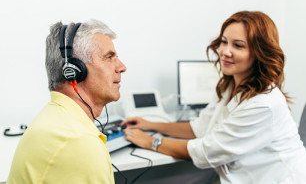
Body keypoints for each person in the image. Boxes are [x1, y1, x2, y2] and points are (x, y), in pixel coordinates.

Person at [121, 11, 306, 183]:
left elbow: (205, 152)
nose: (225, 51)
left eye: (238, 45)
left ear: (260, 52)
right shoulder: (230, 85)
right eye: (224, 42)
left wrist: (150, 142)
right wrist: (150, 124)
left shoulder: (264, 104)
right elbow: (201, 127)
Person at [7, 20, 126, 184]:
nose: (122, 67)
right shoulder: (79, 142)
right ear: (74, 71)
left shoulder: (55, 117)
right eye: (109, 57)